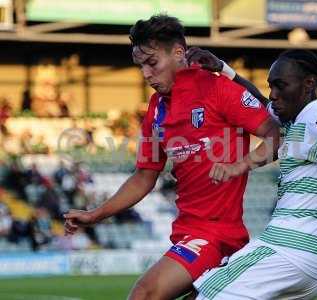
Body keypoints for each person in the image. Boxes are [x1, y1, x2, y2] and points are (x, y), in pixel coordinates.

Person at [63, 15, 279, 300]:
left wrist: (241, 164)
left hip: (217, 234)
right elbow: (143, 176)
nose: (146, 74)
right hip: (186, 232)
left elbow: (277, 135)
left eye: (152, 63)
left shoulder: (218, 89)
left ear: (179, 53)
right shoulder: (156, 108)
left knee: (144, 295)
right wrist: (96, 214)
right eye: (141, 66)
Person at [186, 48, 317, 299]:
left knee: (202, 295)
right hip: (313, 262)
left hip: (289, 250)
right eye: (271, 86)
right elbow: (258, 100)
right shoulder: (296, 118)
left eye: (280, 86)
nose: (273, 94)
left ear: (309, 84)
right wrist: (223, 68)